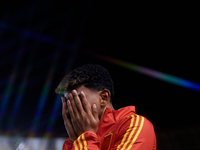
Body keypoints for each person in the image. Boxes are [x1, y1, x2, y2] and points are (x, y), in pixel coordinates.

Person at [55, 64, 156, 150]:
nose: (70, 109)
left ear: (104, 97)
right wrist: (74, 141)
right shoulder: (75, 141)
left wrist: (86, 137)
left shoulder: (135, 126)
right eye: (67, 102)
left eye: (77, 100)